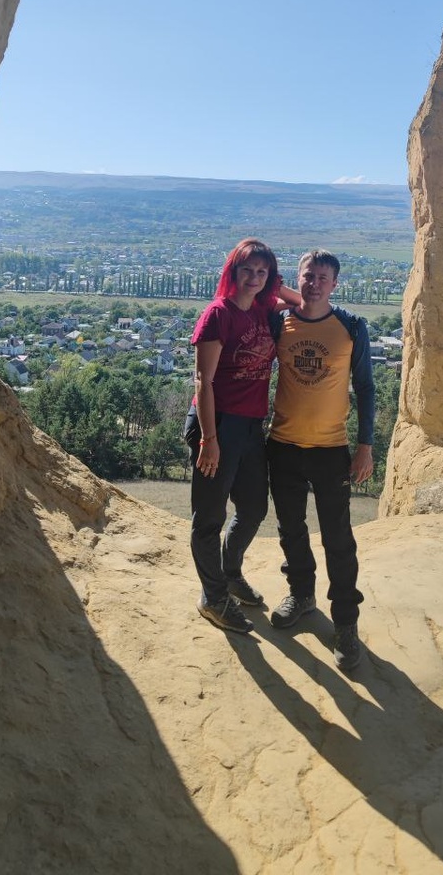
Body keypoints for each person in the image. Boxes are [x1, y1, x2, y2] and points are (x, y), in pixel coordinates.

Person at [267, 249, 375, 671]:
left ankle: (346, 622)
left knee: (338, 538)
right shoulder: (280, 323)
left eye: (322, 278)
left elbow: (365, 388)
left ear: (335, 284)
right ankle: (302, 594)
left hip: (331, 449)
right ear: (299, 278)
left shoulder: (351, 326)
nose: (314, 284)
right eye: (308, 276)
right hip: (283, 444)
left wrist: (365, 446)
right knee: (291, 529)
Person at [185, 238, 299, 634]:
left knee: (253, 508)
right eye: (247, 269)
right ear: (233, 271)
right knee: (209, 517)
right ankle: (213, 597)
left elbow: (303, 302)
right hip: (218, 423)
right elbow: (203, 381)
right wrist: (209, 439)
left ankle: (230, 573)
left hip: (251, 425)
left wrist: (274, 283)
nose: (253, 277)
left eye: (261, 271)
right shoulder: (218, 314)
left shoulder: (263, 309)